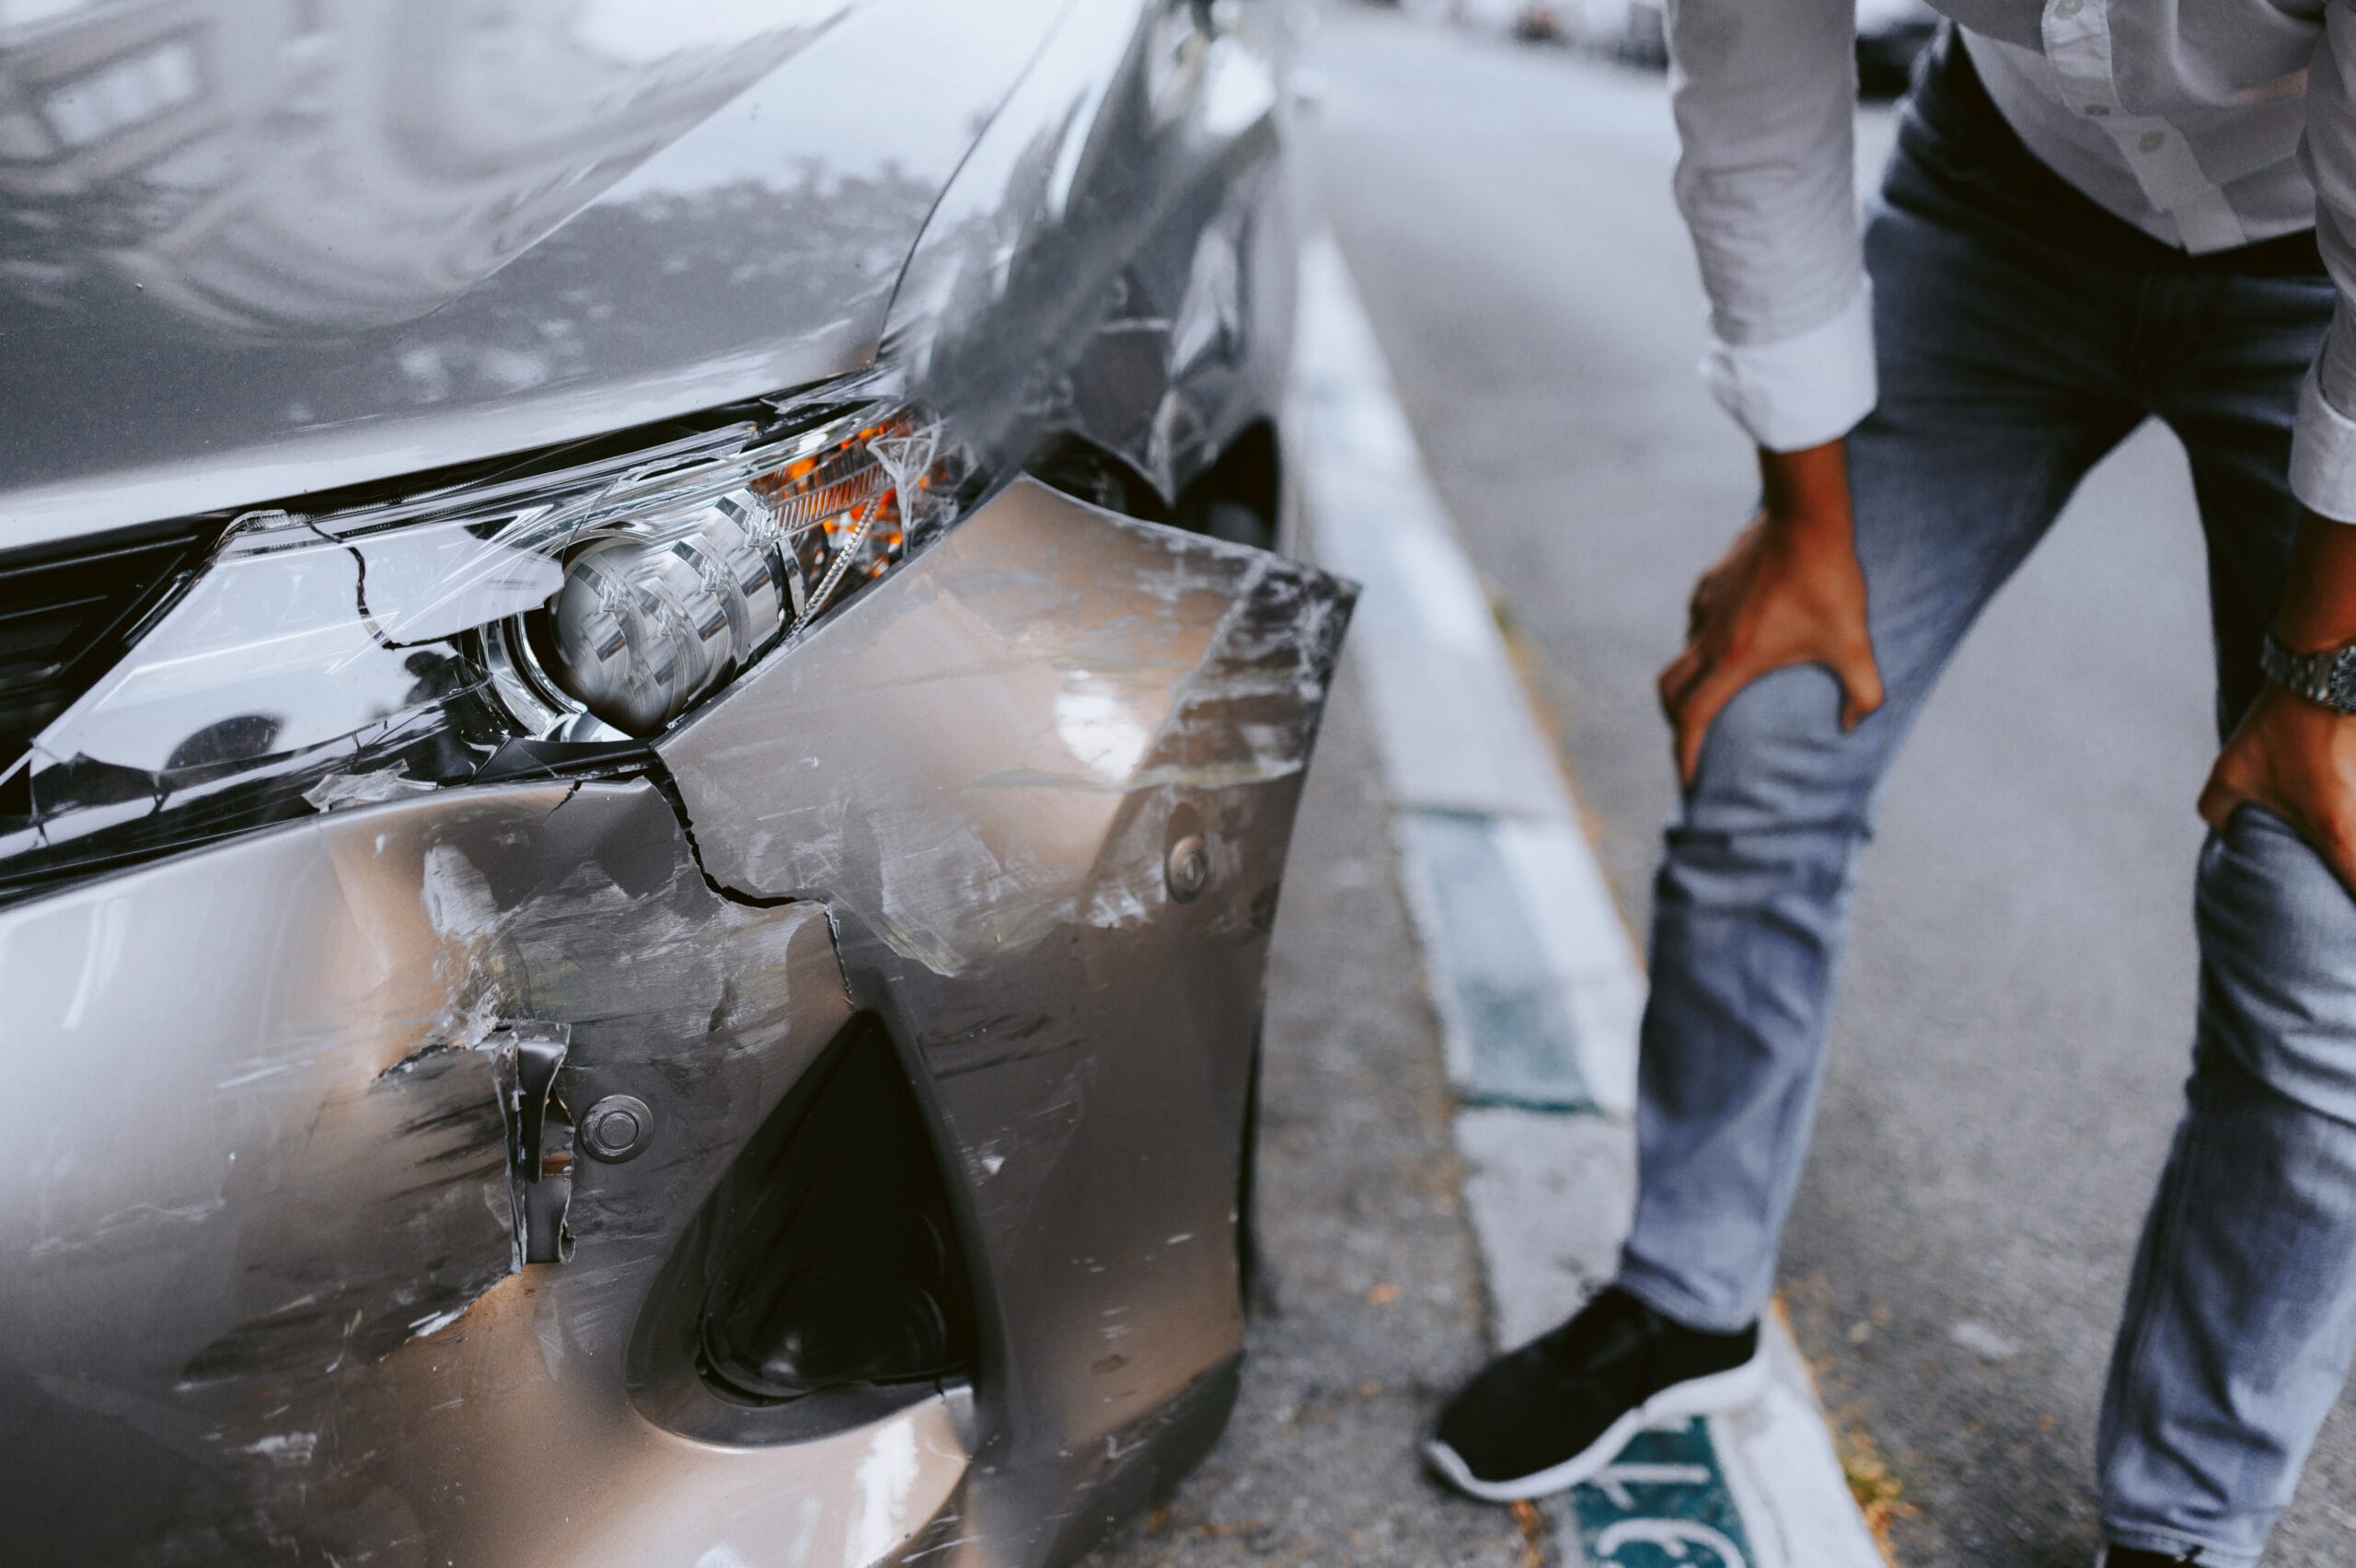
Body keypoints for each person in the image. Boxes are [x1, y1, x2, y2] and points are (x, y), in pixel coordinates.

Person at [1422, 6, 2356, 1565]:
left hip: (2318, 275)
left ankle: (2188, 1519)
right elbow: (1750, 82)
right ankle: (1686, 1297)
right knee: (1774, 717)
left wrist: (2325, 680)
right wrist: (1805, 528)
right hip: (2004, 197)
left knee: (2319, 907)